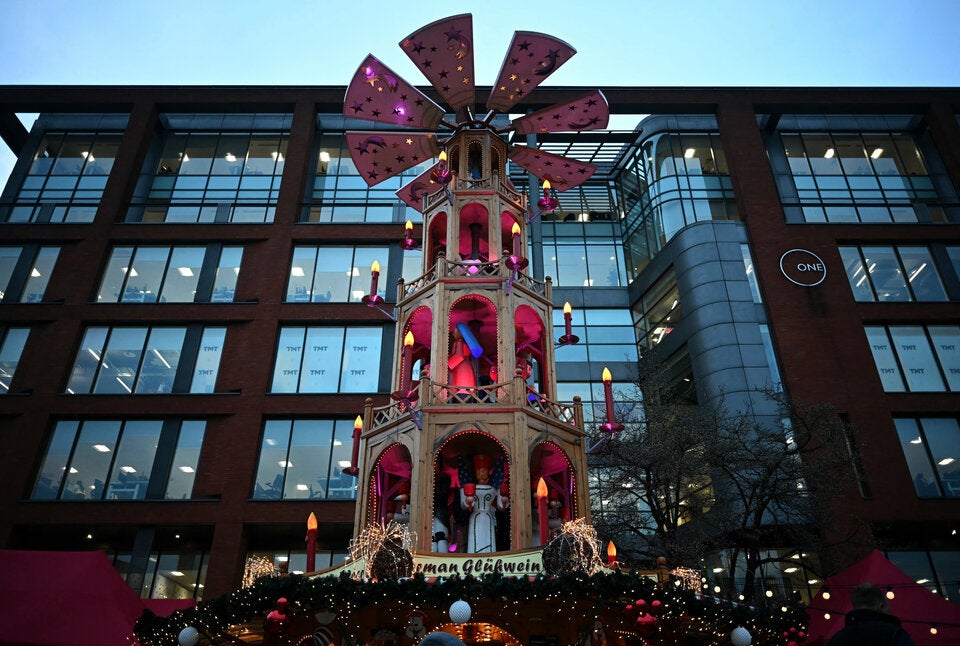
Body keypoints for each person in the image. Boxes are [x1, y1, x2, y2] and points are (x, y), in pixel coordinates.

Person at [826, 583, 916, 646]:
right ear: (880, 606)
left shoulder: (835, 640)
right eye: (887, 607)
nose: (889, 610)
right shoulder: (895, 635)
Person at [460, 454, 508, 553]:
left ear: (488, 473)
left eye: (484, 470)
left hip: (488, 516)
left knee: (488, 537)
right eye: (479, 470)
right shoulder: (469, 487)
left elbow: (500, 504)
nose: (482, 473)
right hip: (475, 516)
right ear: (475, 472)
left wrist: (503, 501)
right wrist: (468, 501)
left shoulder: (493, 489)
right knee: (475, 538)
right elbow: (463, 505)